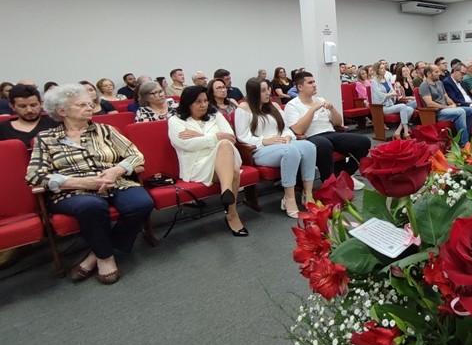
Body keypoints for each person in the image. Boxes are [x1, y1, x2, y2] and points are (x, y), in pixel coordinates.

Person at [25, 84, 154, 285]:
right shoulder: (46, 138)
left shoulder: (106, 130)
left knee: (141, 203)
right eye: (81, 105)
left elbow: (135, 155)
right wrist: (81, 181)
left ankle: (95, 254)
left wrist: (115, 171)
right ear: (62, 111)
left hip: (114, 182)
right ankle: (105, 258)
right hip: (73, 190)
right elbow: (34, 175)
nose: (89, 107)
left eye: (90, 103)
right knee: (92, 206)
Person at [168, 86, 248, 236]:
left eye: (205, 101)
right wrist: (215, 137)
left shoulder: (215, 115)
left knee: (225, 145)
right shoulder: (175, 120)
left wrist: (198, 136)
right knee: (234, 172)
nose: (204, 105)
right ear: (187, 103)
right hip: (197, 164)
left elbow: (230, 137)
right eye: (198, 102)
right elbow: (184, 144)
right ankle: (231, 213)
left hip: (223, 157)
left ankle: (226, 193)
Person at [235, 77, 316, 218]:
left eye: (268, 89)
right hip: (260, 150)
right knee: (290, 151)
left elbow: (284, 128)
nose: (267, 93)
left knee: (309, 146)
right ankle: (289, 199)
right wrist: (265, 141)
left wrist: (288, 136)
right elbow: (243, 136)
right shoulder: (243, 108)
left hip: (281, 143)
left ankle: (307, 194)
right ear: (253, 92)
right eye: (263, 91)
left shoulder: (273, 106)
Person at [283, 72, 370, 187]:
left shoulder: (320, 99)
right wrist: (312, 109)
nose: (314, 85)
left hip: (330, 133)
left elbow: (338, 123)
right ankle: (329, 183)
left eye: (314, 82)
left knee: (364, 141)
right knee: (324, 144)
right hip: (309, 137)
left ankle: (344, 175)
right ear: (300, 87)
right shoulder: (292, 105)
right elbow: (298, 130)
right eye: (310, 83)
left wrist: (332, 108)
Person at [418, 64, 472, 147]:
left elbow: (446, 97)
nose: (439, 73)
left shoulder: (440, 83)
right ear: (429, 74)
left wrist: (453, 104)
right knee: (461, 112)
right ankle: (464, 144)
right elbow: (429, 103)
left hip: (446, 109)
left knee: (470, 111)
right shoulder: (424, 86)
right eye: (436, 72)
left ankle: (465, 137)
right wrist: (447, 107)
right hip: (435, 112)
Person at [371, 60, 415, 139]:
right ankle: (405, 131)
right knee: (402, 106)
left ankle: (398, 131)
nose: (384, 69)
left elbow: (393, 92)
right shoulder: (374, 82)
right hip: (382, 107)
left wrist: (390, 94)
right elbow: (380, 95)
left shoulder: (387, 80)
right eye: (381, 68)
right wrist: (390, 94)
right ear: (377, 70)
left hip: (390, 104)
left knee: (410, 109)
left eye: (384, 68)